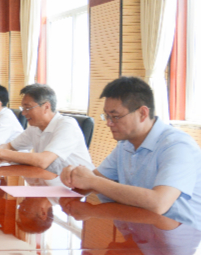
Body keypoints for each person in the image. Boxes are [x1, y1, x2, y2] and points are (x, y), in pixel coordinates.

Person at [60, 76, 201, 230]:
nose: (109, 123)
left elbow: (159, 203)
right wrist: (73, 177)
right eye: (107, 116)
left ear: (143, 113)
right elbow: (93, 180)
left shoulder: (177, 146)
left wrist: (92, 182)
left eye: (116, 116)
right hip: (141, 228)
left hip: (184, 236)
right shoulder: (125, 144)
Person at [0, 83, 94, 181]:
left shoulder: (67, 125)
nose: (23, 113)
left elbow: (43, 160)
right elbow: (10, 146)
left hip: (79, 187)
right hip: (51, 181)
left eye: (28, 108)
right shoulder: (35, 127)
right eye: (23, 108)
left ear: (46, 107)